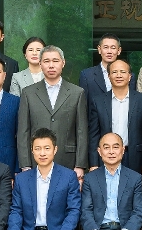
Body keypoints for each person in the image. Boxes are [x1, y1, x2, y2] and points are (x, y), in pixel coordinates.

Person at [16, 45, 89, 178]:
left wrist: (80, 165)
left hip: (68, 160)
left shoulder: (77, 93)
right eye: (46, 61)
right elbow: (23, 131)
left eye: (55, 61)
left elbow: (81, 131)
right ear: (40, 64)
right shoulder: (28, 93)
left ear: (63, 63)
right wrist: (25, 164)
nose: (51, 65)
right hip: (36, 161)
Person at [89, 59, 142, 174]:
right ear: (109, 76)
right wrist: (93, 163)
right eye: (114, 72)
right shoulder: (98, 101)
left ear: (130, 76)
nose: (119, 75)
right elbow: (93, 135)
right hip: (107, 156)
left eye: (123, 72)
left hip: (135, 156)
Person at [79, 33, 131, 104]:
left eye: (113, 48)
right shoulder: (87, 75)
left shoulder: (129, 76)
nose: (109, 52)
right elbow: (83, 104)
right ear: (99, 49)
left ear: (119, 51)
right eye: (106, 47)